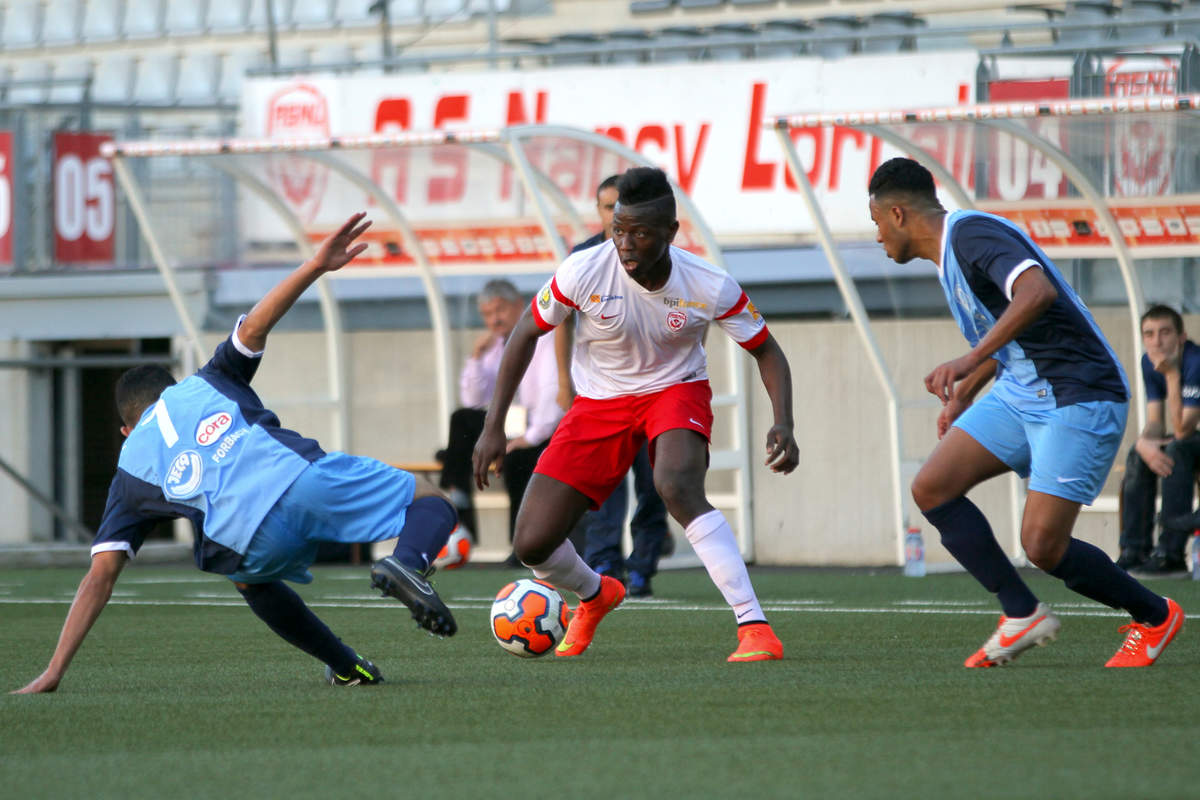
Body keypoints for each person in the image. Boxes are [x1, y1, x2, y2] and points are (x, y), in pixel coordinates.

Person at [13, 213, 458, 694]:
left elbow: (99, 577)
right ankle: (407, 564)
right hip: (299, 481)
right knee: (429, 497)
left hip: (246, 542)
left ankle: (347, 666)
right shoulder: (206, 381)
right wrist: (315, 265)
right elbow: (256, 325)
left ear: (126, 430)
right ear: (171, 387)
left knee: (248, 579)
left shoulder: (128, 473)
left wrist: (54, 671)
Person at [473, 167, 799, 662]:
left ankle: (753, 626)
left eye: (640, 233)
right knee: (532, 544)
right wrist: (493, 426)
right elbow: (525, 332)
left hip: (675, 390)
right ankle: (595, 593)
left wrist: (783, 421)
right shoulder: (583, 270)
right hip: (598, 403)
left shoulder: (708, 283)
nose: (624, 244)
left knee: (676, 486)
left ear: (670, 232)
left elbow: (767, 350)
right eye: (618, 229)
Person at [868, 157, 1183, 668]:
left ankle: (1154, 615)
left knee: (1042, 545)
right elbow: (1014, 337)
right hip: (1022, 392)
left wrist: (967, 359)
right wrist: (967, 391)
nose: (878, 236)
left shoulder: (970, 234)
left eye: (877, 222)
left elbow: (1036, 292)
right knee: (932, 487)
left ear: (898, 214)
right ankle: (1021, 612)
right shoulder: (951, 257)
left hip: (1079, 393)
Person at [574, 174, 671, 597]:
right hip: (604, 394)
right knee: (603, 482)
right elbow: (553, 322)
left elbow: (690, 313)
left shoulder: (657, 254)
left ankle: (643, 566)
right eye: (607, 207)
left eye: (621, 206)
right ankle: (604, 562)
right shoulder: (582, 258)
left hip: (655, 392)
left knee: (655, 482)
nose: (616, 215)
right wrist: (563, 382)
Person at [436, 279, 564, 561]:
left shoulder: (544, 337)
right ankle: (460, 507)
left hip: (541, 429)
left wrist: (530, 437)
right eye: (487, 314)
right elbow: (473, 399)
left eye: (500, 310)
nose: (494, 319)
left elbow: (552, 393)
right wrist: (475, 358)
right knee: (461, 420)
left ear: (519, 305)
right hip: (509, 425)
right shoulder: (495, 346)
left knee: (519, 461)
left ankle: (519, 545)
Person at [1118, 304, 1200, 574]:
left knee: (1177, 449)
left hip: (1190, 436)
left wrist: (1172, 375)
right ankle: (1134, 550)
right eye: (1149, 334)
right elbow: (1156, 421)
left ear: (1181, 337)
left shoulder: (1194, 361)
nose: (1157, 341)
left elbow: (1183, 429)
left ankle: (1170, 554)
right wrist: (1144, 443)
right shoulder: (1148, 362)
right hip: (1189, 436)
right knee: (1138, 453)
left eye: (1165, 332)